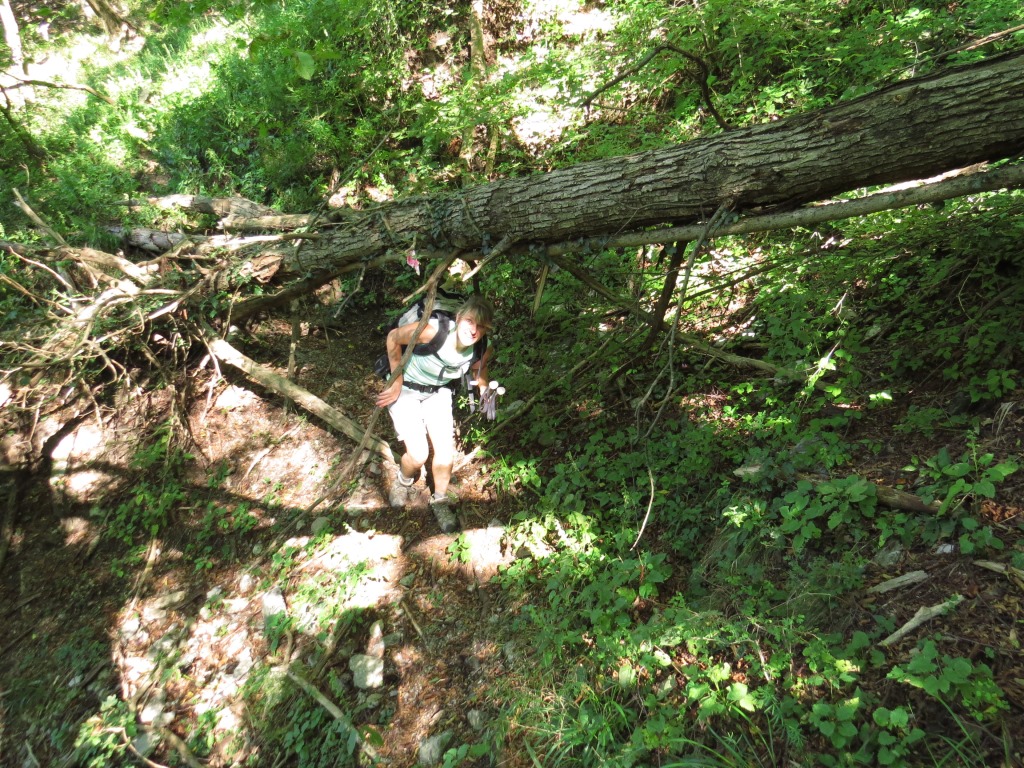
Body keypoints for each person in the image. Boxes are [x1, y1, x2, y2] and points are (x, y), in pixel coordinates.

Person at [375, 295, 494, 532]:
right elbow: (393, 337)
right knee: (418, 454)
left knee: (445, 453)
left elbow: (478, 370)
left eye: (481, 326)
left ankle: (439, 500)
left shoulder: (482, 347)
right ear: (459, 318)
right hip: (406, 387)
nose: (473, 331)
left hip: (438, 392)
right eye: (470, 321)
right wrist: (396, 381)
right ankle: (403, 481)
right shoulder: (433, 331)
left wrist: (484, 390)